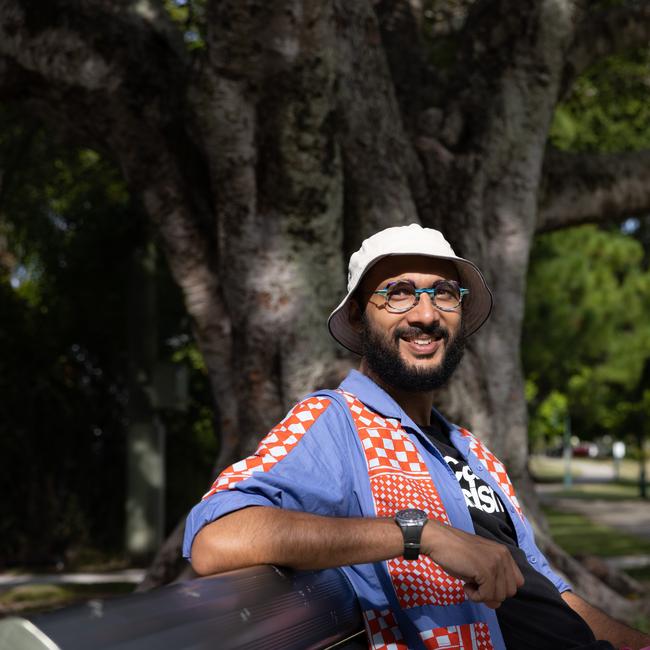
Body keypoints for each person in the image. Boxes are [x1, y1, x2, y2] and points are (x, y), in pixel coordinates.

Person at [183, 224, 650, 650]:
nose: (426, 314)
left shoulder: (473, 451)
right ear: (360, 319)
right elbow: (217, 539)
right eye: (398, 294)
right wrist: (419, 533)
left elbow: (546, 588)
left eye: (443, 293)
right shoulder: (336, 422)